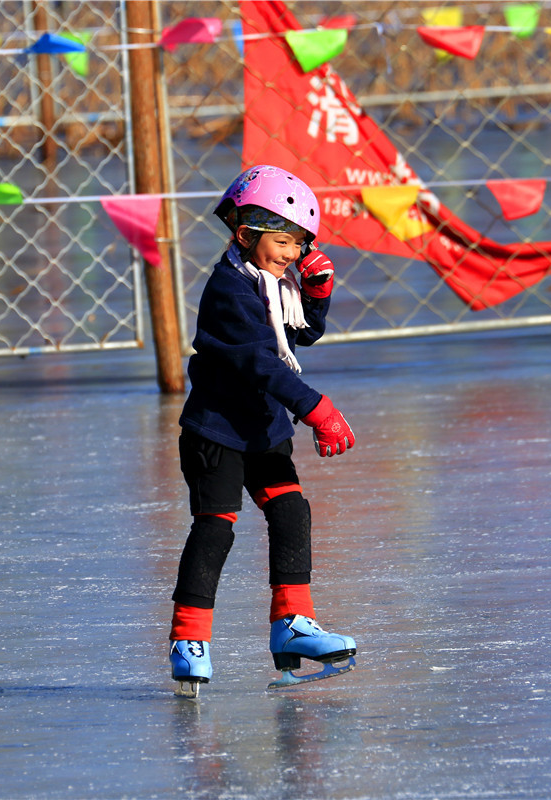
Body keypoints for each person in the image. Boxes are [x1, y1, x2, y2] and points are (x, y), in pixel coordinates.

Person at [168, 165, 357, 696]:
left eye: (299, 246)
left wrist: (316, 295)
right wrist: (316, 407)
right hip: (217, 433)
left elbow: (298, 335)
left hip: (263, 430)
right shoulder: (229, 289)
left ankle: (291, 626)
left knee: (291, 510)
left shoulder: (275, 285)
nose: (291, 255)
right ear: (244, 232)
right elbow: (260, 361)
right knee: (216, 528)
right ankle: (189, 639)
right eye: (281, 242)